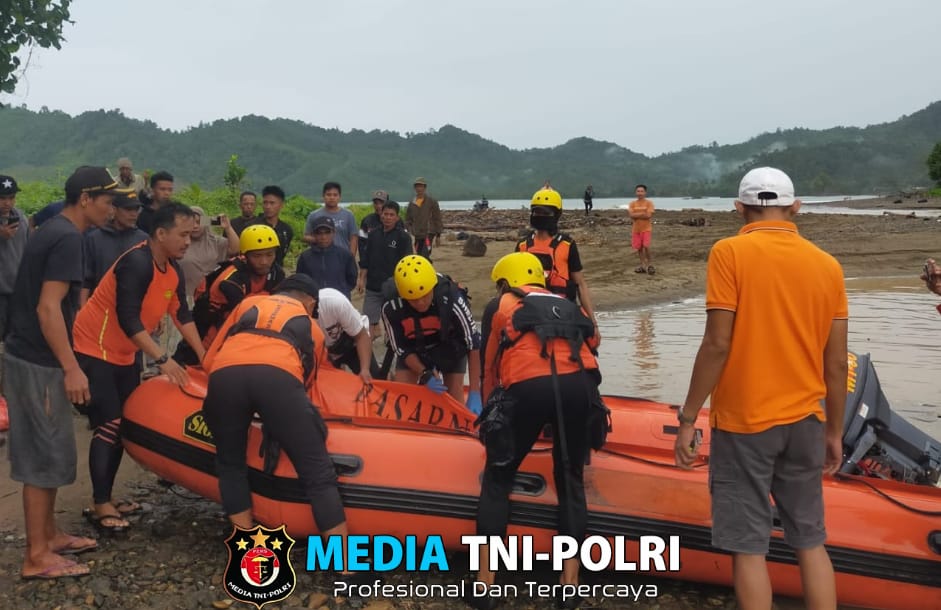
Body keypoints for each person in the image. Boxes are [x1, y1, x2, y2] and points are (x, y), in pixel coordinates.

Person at [674, 167, 847, 610]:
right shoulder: (828, 266)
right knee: (810, 540)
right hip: (807, 420)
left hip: (745, 422)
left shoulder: (729, 252)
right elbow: (835, 363)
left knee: (749, 547)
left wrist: (688, 417)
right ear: (795, 207)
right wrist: (834, 431)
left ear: (739, 208)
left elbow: (717, 343)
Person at [200, 274, 365, 586]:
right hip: (277, 379)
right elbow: (306, 386)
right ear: (311, 303)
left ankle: (247, 548)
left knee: (230, 465)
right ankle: (345, 567)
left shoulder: (248, 303)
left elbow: (209, 360)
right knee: (317, 472)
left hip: (225, 375)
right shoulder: (312, 328)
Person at [4, 166, 126, 579]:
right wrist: (72, 368)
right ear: (86, 199)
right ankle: (36, 555)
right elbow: (48, 308)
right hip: (37, 361)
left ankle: (50, 535)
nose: (112, 209)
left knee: (53, 446)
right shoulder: (68, 237)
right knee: (42, 454)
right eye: (108, 201)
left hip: (35, 356)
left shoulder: (56, 230)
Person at [470, 252, 601, 610]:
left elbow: (490, 368)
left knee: (498, 479)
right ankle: (569, 585)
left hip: (528, 387)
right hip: (580, 387)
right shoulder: (568, 304)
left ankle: (485, 585)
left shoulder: (501, 305)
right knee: (570, 479)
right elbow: (592, 346)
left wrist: (491, 419)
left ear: (505, 283)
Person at [72, 202, 206, 533]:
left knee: (124, 422)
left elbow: (182, 314)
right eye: (182, 234)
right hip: (94, 348)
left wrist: (206, 357)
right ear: (160, 233)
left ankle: (106, 497)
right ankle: (100, 503)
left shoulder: (172, 270)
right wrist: (163, 359)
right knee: (109, 424)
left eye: (190, 235)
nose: (188, 241)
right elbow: (128, 317)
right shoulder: (137, 262)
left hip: (124, 353)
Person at [380, 255, 481, 409]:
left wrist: (474, 391)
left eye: (425, 296)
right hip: (415, 349)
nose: (421, 303)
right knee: (404, 394)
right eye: (413, 299)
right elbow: (400, 348)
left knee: (454, 399)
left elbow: (473, 343)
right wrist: (424, 373)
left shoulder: (451, 298)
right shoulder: (391, 306)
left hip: (450, 347)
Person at [177, 224, 285, 362]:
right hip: (212, 337)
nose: (264, 261)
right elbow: (247, 316)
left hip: (241, 333)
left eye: (269, 254)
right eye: (257, 256)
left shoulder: (276, 273)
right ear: (245, 256)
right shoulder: (230, 281)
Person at [515, 187, 601, 344]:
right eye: (536, 212)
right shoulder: (522, 245)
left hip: (563, 313)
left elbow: (580, 284)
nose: (540, 216)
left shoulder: (567, 245)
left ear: (556, 214)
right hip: (531, 314)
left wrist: (593, 324)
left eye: (546, 213)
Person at [357, 200, 413, 339]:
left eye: (391, 215)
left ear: (397, 217)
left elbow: (407, 264)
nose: (388, 217)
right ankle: (369, 348)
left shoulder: (403, 237)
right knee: (367, 323)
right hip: (373, 287)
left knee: (395, 323)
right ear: (381, 215)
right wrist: (361, 279)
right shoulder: (373, 235)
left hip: (394, 288)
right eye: (385, 214)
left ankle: (393, 345)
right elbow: (365, 260)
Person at [80, 192, 148, 304]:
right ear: (114, 209)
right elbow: (86, 279)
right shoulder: (95, 239)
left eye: (136, 210)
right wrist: (82, 308)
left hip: (134, 306)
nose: (133, 214)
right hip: (101, 304)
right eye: (128, 209)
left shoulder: (144, 240)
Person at [178, 206, 240, 302]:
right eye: (191, 223)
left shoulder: (215, 242)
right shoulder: (179, 243)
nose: (195, 226)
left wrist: (228, 228)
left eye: (199, 222)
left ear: (205, 222)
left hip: (211, 297)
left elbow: (235, 249)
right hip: (186, 296)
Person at [317, 287, 379, 382]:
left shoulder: (334, 302)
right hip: (325, 353)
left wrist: (365, 369)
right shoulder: (296, 320)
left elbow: (361, 336)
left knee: (373, 378)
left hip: (351, 342)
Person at [297, 217, 358, 299]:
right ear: (313, 234)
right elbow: (300, 280)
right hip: (314, 301)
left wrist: (342, 291)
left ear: (334, 233)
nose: (323, 237)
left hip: (339, 300)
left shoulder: (345, 255)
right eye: (319, 233)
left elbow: (352, 279)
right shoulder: (305, 257)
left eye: (327, 232)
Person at [0, 175, 29, 343]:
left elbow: (28, 248)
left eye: (11, 198)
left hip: (17, 290)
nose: (7, 203)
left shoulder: (21, 219)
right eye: (2, 198)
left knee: (15, 338)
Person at [304, 181, 357, 254]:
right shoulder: (314, 215)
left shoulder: (348, 215)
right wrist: (319, 239)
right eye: (328, 195)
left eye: (335, 195)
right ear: (323, 196)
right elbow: (306, 237)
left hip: (342, 256)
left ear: (339, 197)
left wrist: (351, 257)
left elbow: (353, 238)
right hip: (320, 256)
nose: (332, 197)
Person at [250, 185, 293, 268]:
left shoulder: (286, 230)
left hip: (277, 272)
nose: (268, 207)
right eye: (265, 203)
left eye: (272, 203)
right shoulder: (252, 227)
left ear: (281, 205)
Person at [406, 177, 443, 259]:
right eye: (417, 186)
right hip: (417, 234)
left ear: (424, 187)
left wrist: (438, 235)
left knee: (425, 255)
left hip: (429, 233)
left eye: (421, 186)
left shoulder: (432, 202)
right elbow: (408, 220)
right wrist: (410, 231)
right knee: (418, 256)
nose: (419, 188)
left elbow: (437, 218)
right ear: (415, 188)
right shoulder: (412, 203)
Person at [137, 171, 174, 235]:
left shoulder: (175, 213)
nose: (167, 193)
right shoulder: (144, 216)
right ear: (152, 190)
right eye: (162, 189)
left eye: (170, 190)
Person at [628, 184, 655, 274]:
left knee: (646, 246)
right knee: (639, 248)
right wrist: (642, 213)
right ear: (636, 192)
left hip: (646, 228)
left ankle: (650, 265)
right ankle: (643, 266)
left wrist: (637, 215)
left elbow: (648, 215)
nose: (640, 193)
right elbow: (631, 215)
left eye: (642, 191)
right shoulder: (632, 204)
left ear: (645, 192)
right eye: (638, 191)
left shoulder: (649, 203)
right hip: (636, 229)